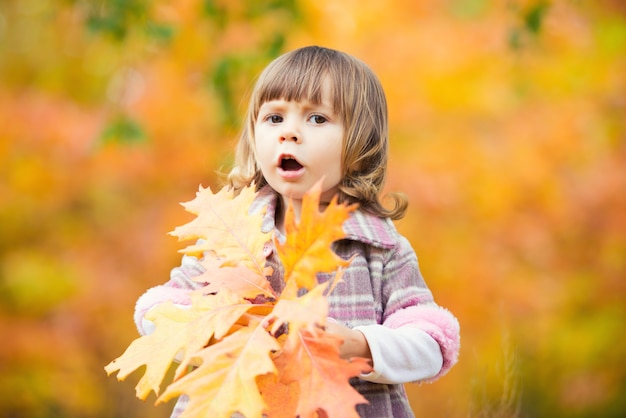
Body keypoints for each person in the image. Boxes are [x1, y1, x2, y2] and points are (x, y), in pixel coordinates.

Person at [134, 45, 460, 418]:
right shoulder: (231, 238)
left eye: (317, 119)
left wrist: (358, 344)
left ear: (359, 142)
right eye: (274, 118)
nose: (289, 132)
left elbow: (432, 343)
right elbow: (159, 311)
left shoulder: (379, 248)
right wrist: (220, 328)